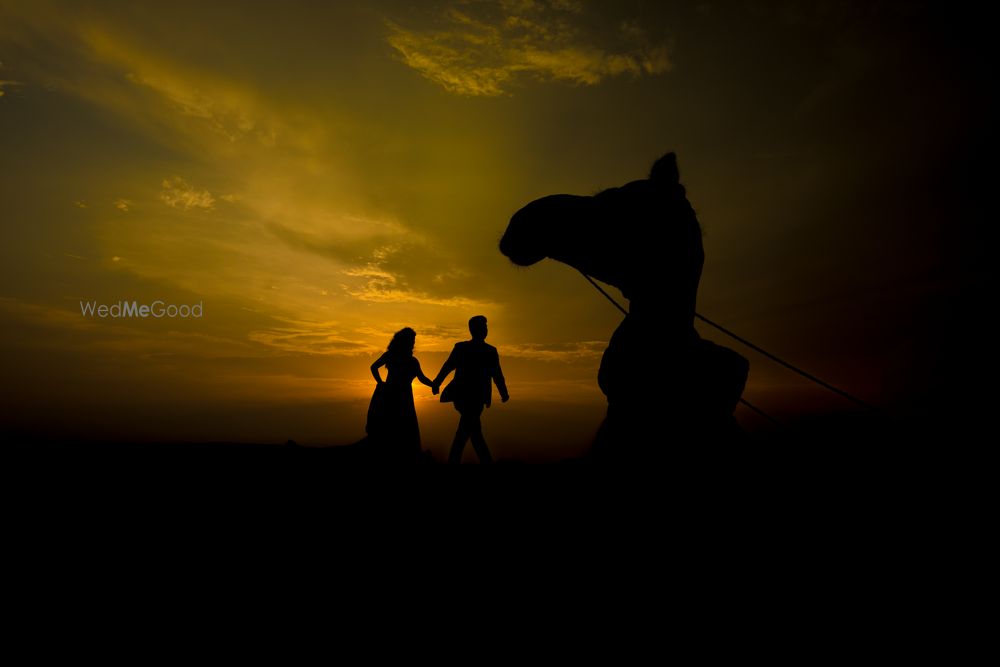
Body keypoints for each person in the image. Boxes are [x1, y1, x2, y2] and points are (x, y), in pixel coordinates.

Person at [432, 315, 509, 464]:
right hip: (466, 397)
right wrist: (437, 382)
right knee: (470, 431)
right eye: (483, 327)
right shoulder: (464, 348)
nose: (486, 329)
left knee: (469, 431)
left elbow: (497, 374)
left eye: (486, 327)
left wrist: (503, 392)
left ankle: (457, 461)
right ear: (475, 329)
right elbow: (448, 366)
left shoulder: (488, 351)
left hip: (475, 397)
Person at [366, 327, 434, 461]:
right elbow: (373, 367)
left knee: (400, 426)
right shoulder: (401, 358)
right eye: (411, 341)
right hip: (396, 397)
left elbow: (422, 378)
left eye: (413, 341)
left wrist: (434, 385)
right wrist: (380, 383)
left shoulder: (404, 359)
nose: (413, 344)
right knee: (399, 426)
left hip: (397, 396)